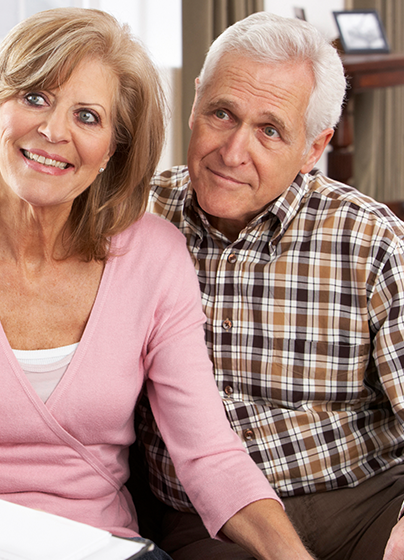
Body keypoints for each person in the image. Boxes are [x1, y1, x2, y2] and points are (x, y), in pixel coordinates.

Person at [0, 8, 314, 560]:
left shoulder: (156, 256)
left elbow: (209, 455)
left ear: (111, 150)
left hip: (105, 547)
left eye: (87, 116)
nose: (54, 131)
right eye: (35, 97)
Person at [140, 11, 404, 560]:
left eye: (269, 130)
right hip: (209, 521)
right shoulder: (135, 221)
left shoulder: (371, 240)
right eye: (222, 114)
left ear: (313, 147)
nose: (234, 153)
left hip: (363, 500)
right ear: (195, 103)